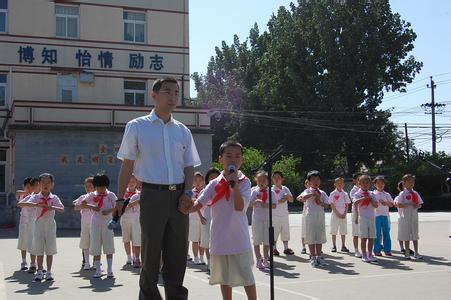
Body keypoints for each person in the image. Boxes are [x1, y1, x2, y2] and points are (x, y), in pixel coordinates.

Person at [117, 77, 201, 300]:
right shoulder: (137, 126)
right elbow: (127, 165)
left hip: (179, 197)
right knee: (151, 253)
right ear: (153, 95)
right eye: (167, 92)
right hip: (152, 195)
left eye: (176, 92)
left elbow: (189, 167)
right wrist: (119, 199)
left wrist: (188, 193)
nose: (173, 97)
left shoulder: (183, 131)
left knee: (178, 254)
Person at [191, 141, 257, 300]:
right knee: (224, 278)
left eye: (237, 156)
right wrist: (185, 206)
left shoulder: (245, 182)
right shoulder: (214, 184)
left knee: (246, 276)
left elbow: (240, 207)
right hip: (220, 239)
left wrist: (234, 186)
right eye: (228, 156)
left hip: (239, 239)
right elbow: (199, 203)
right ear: (220, 159)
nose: (233, 159)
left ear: (242, 160)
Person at [25, 173, 64, 281]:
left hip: (50, 224)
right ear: (39, 184)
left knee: (50, 249)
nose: (45, 185)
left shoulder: (54, 197)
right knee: (39, 248)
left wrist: (52, 207)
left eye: (48, 182)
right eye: (43, 182)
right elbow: (27, 204)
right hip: (39, 224)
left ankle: (49, 271)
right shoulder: (36, 197)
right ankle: (40, 271)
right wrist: (37, 204)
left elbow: (62, 209)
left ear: (52, 184)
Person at [83, 173, 117, 278]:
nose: (100, 190)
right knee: (96, 246)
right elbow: (82, 203)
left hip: (108, 224)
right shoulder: (92, 195)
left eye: (102, 187)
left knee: (109, 246)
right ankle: (97, 270)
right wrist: (92, 207)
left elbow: (118, 207)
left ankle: (110, 270)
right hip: (95, 223)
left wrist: (109, 210)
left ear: (106, 186)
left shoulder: (110, 195)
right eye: (98, 187)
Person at [298, 171, 329, 267]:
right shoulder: (307, 191)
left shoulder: (322, 192)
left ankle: (319, 256)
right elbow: (301, 198)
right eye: (313, 179)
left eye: (318, 179)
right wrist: (312, 194)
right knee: (311, 237)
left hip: (319, 216)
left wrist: (320, 202)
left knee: (319, 237)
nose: (316, 181)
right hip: (310, 217)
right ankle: (313, 257)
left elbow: (327, 205)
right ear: (309, 181)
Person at [250, 171, 276, 269]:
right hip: (257, 219)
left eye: (263, 180)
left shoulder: (271, 192)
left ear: (267, 181)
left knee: (267, 241)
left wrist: (265, 205)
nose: (261, 182)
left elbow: (274, 205)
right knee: (256, 240)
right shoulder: (254, 191)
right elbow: (248, 204)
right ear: (256, 181)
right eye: (259, 180)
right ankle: (258, 259)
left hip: (267, 219)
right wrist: (255, 201)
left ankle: (265, 259)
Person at [395, 174, 423, 260]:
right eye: (409, 181)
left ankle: (416, 252)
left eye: (413, 181)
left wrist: (417, 205)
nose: (411, 183)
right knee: (406, 234)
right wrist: (408, 204)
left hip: (414, 216)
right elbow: (399, 205)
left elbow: (420, 204)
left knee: (415, 233)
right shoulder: (402, 193)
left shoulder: (415, 193)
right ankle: (407, 252)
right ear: (404, 183)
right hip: (405, 216)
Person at [352, 175, 378, 263]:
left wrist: (371, 200)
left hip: (371, 217)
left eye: (367, 183)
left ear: (370, 184)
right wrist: (363, 198)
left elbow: (376, 205)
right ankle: (364, 254)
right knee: (364, 237)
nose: (365, 184)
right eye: (363, 183)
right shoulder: (357, 194)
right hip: (362, 217)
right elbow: (355, 203)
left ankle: (370, 254)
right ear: (359, 184)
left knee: (371, 237)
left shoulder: (372, 194)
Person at [16, 177, 39, 273]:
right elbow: (17, 193)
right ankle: (23, 261)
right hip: (23, 220)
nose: (29, 189)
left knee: (33, 241)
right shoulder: (22, 195)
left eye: (31, 187)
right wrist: (27, 192)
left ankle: (34, 263)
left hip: (32, 221)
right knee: (23, 241)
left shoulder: (35, 196)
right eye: (27, 187)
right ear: (24, 186)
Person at [200, 168, 221, 271]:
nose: (213, 179)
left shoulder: (223, 190)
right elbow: (197, 205)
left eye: (216, 177)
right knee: (207, 241)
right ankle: (209, 262)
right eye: (211, 177)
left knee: (217, 240)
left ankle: (218, 263)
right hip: (207, 217)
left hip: (219, 218)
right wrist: (201, 217)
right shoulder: (205, 191)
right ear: (207, 179)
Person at [73, 176, 95, 270]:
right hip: (85, 223)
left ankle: (96, 262)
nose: (88, 188)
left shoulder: (97, 197)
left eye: (90, 186)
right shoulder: (83, 197)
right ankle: (86, 262)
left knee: (95, 243)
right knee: (85, 243)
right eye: (86, 186)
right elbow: (76, 207)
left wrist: (87, 205)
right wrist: (83, 205)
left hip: (95, 223)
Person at [271, 171, 295, 256]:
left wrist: (287, 196)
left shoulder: (285, 189)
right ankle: (274, 249)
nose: (276, 179)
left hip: (284, 214)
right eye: (274, 178)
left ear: (282, 179)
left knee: (285, 231)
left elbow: (291, 200)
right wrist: (282, 200)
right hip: (274, 215)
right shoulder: (271, 190)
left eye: (278, 178)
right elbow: (273, 203)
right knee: (274, 232)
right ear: (272, 179)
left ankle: (286, 248)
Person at [121, 180, 143, 268]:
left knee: (136, 239)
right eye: (129, 181)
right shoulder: (123, 193)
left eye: (133, 181)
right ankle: (129, 257)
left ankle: (136, 257)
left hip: (137, 220)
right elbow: (123, 207)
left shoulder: (138, 194)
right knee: (126, 239)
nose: (131, 183)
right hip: (126, 218)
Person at [373, 176, 394, 256]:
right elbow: (371, 204)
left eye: (382, 183)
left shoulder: (386, 194)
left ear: (384, 184)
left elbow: (392, 204)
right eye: (378, 183)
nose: (380, 185)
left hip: (385, 216)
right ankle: (377, 250)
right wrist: (376, 203)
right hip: (376, 216)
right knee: (377, 234)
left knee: (386, 233)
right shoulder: (373, 194)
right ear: (375, 185)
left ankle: (387, 250)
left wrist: (386, 203)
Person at [329, 177, 351, 253]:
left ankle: (343, 245)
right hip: (335, 214)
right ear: (335, 184)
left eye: (341, 183)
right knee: (334, 230)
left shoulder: (345, 194)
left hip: (343, 214)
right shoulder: (332, 193)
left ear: (343, 184)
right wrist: (337, 213)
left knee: (343, 230)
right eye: (338, 183)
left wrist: (345, 213)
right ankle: (334, 245)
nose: (339, 184)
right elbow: (331, 204)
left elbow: (347, 204)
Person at [189, 172, 206, 265]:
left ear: (203, 182)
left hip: (204, 219)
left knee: (202, 240)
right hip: (194, 219)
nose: (198, 182)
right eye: (195, 180)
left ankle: (202, 257)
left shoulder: (205, 191)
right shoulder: (191, 192)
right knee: (195, 239)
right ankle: (196, 257)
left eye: (200, 180)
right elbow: (194, 205)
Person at [349, 172, 362, 258]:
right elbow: (355, 201)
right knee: (356, 233)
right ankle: (356, 250)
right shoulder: (353, 190)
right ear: (354, 181)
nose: (360, 182)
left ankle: (365, 250)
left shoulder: (366, 189)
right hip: (356, 214)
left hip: (365, 213)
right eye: (358, 180)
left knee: (365, 234)